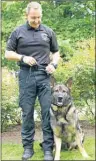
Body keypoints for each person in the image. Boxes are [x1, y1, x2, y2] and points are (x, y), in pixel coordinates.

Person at [5, 2, 60, 160]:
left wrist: (53, 65)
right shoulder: (18, 32)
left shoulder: (48, 31)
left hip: (44, 76)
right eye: (33, 18)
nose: (37, 20)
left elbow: (56, 52)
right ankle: (28, 148)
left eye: (39, 17)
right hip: (26, 75)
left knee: (46, 113)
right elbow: (7, 54)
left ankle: (48, 149)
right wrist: (23, 57)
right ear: (26, 16)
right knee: (27, 113)